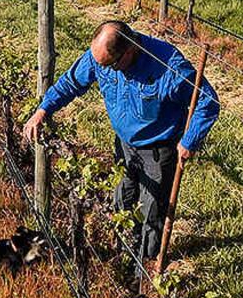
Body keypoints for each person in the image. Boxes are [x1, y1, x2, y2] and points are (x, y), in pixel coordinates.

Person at [22, 21, 220, 260]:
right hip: (124, 144)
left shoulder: (168, 68)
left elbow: (208, 101)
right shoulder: (103, 58)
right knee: (122, 199)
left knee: (152, 211)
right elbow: (72, 82)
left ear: (130, 50)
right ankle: (123, 252)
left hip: (158, 150)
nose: (106, 70)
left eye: (111, 65)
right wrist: (43, 110)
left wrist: (190, 141)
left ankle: (145, 266)